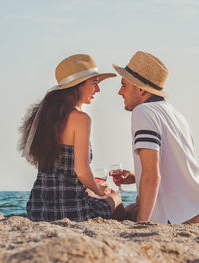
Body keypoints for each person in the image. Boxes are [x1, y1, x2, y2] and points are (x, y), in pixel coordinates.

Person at [111, 51, 199, 224]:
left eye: (124, 85)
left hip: (183, 214)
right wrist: (136, 176)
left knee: (119, 213)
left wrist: (141, 224)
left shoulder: (142, 112)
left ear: (140, 89)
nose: (119, 92)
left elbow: (153, 177)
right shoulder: (173, 113)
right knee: (129, 210)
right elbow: (178, 165)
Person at [19, 54, 123, 222]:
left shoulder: (47, 119)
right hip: (70, 210)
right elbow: (81, 171)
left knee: (96, 194)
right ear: (78, 85)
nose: (98, 90)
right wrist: (98, 190)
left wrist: (91, 188)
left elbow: (60, 173)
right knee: (115, 198)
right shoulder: (80, 119)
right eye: (94, 83)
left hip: (38, 208)